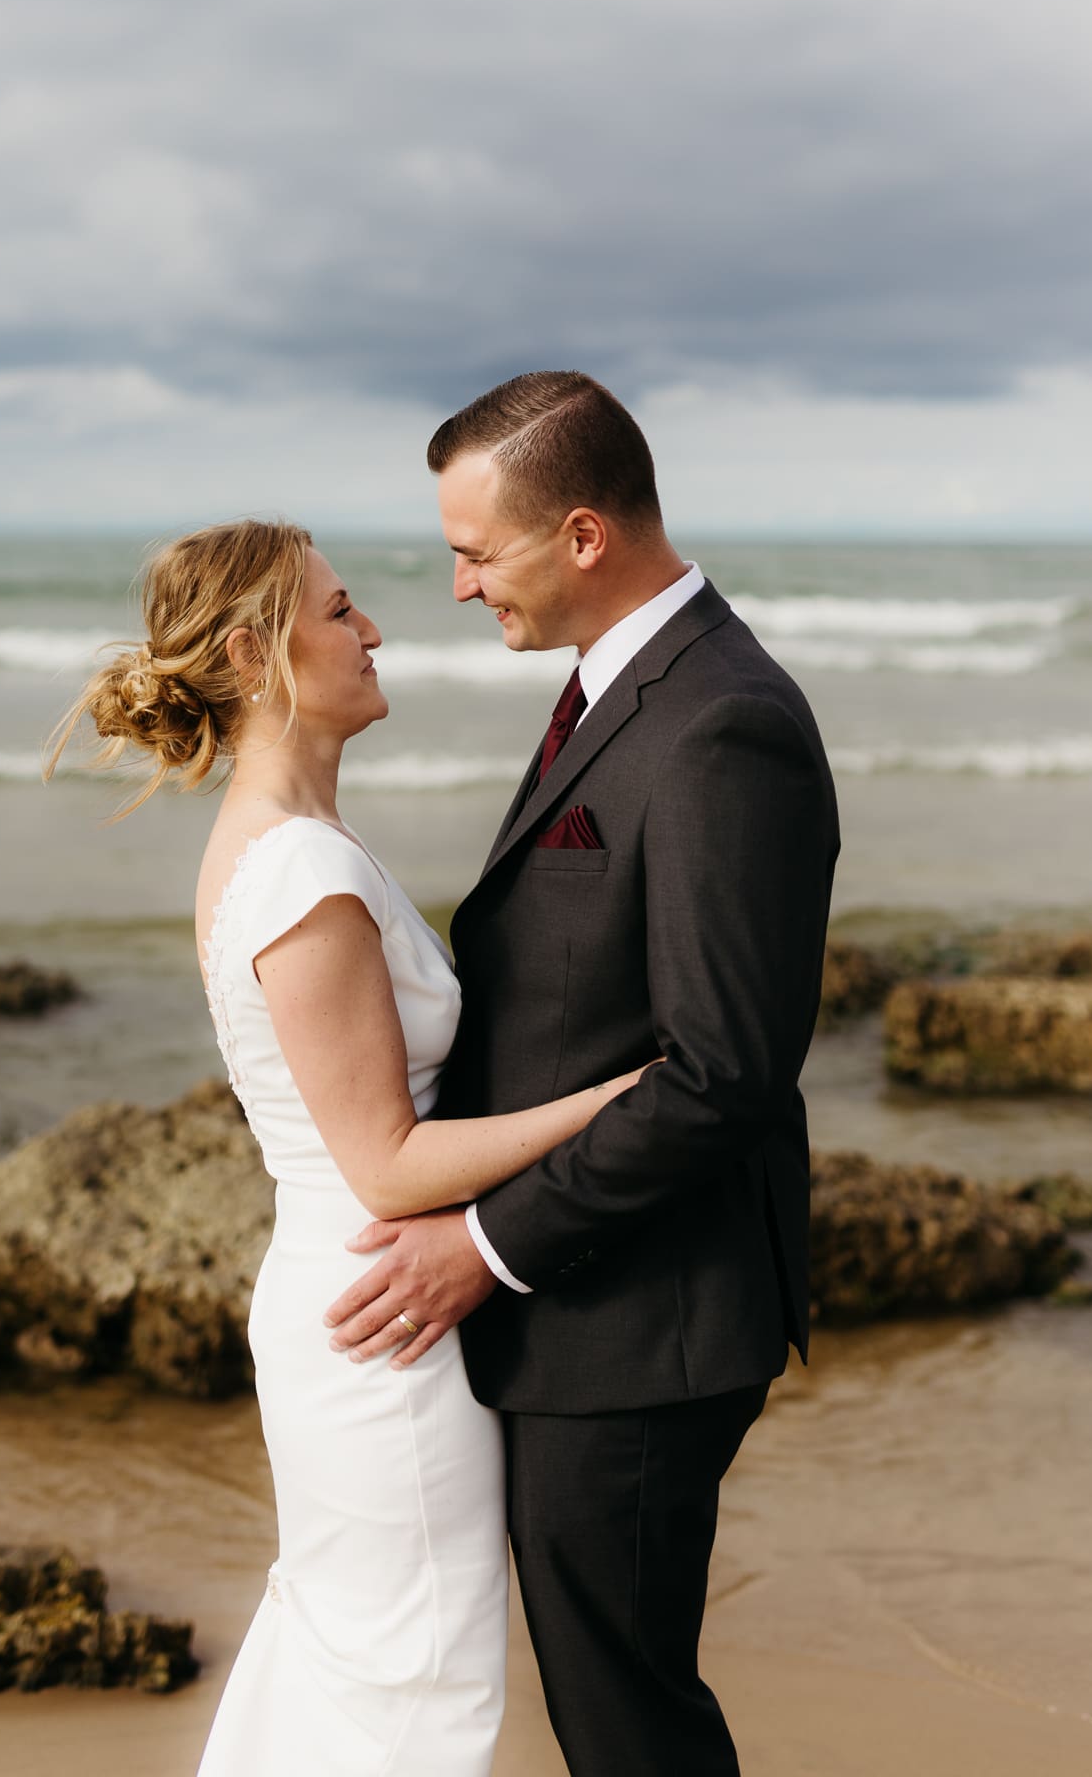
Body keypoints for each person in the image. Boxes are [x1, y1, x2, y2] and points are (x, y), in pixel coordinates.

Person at [46, 517, 655, 1777]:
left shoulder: (294, 846)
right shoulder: (301, 871)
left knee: (360, 1662)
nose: (372, 627)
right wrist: (617, 1096)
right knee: (411, 1692)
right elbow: (385, 1162)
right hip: (383, 1313)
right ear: (256, 653)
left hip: (357, 1296)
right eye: (337, 609)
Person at [325, 371, 841, 1776]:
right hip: (598, 1309)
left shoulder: (721, 723)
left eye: (475, 553)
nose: (454, 587)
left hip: (639, 1321)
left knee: (626, 1721)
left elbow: (725, 1071)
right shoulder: (619, 694)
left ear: (582, 537)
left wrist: (483, 1249)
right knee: (612, 1705)